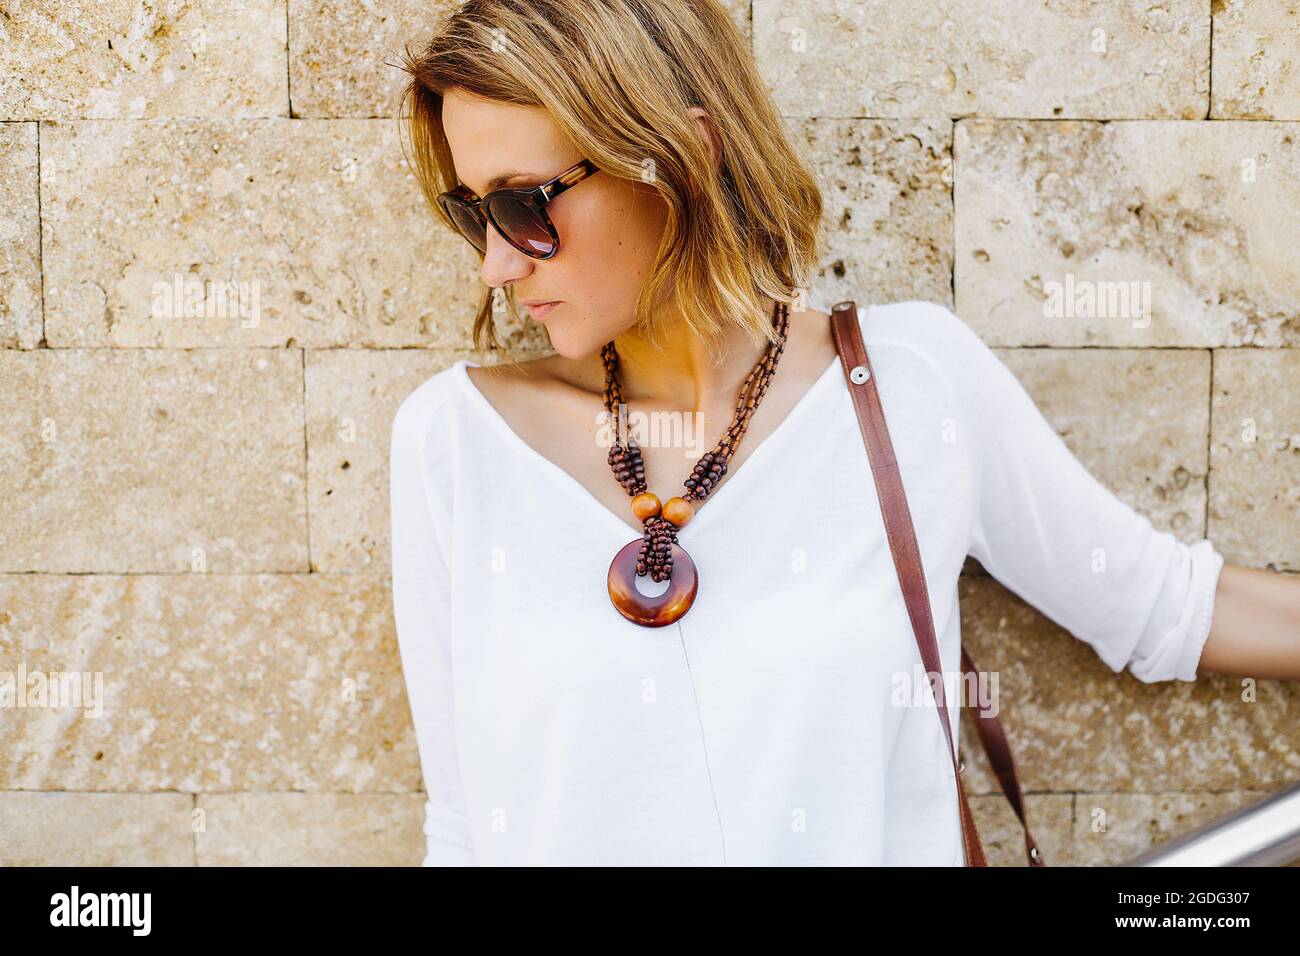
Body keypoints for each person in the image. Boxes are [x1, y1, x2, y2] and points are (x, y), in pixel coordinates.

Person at [389, 0, 1298, 866]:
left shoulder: (910, 385)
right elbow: (466, 830)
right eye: (475, 210)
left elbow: (1166, 608)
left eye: (523, 203)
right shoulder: (454, 445)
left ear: (680, 155)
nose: (495, 263)